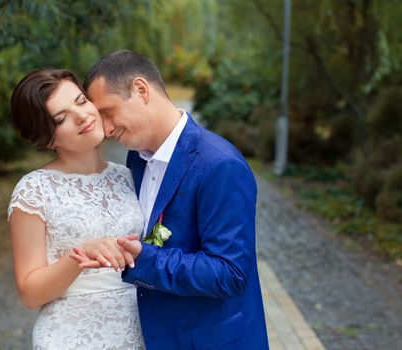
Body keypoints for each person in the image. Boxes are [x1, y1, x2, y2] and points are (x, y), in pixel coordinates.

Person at [71, 50, 269, 349]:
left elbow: (230, 274)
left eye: (108, 113)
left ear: (141, 89)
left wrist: (142, 259)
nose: (107, 129)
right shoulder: (136, 160)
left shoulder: (219, 164)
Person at [7, 67, 145, 349]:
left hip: (140, 328)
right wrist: (78, 257)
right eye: (61, 118)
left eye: (81, 101)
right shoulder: (34, 191)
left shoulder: (129, 176)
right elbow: (30, 293)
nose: (82, 116)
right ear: (46, 138)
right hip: (72, 335)